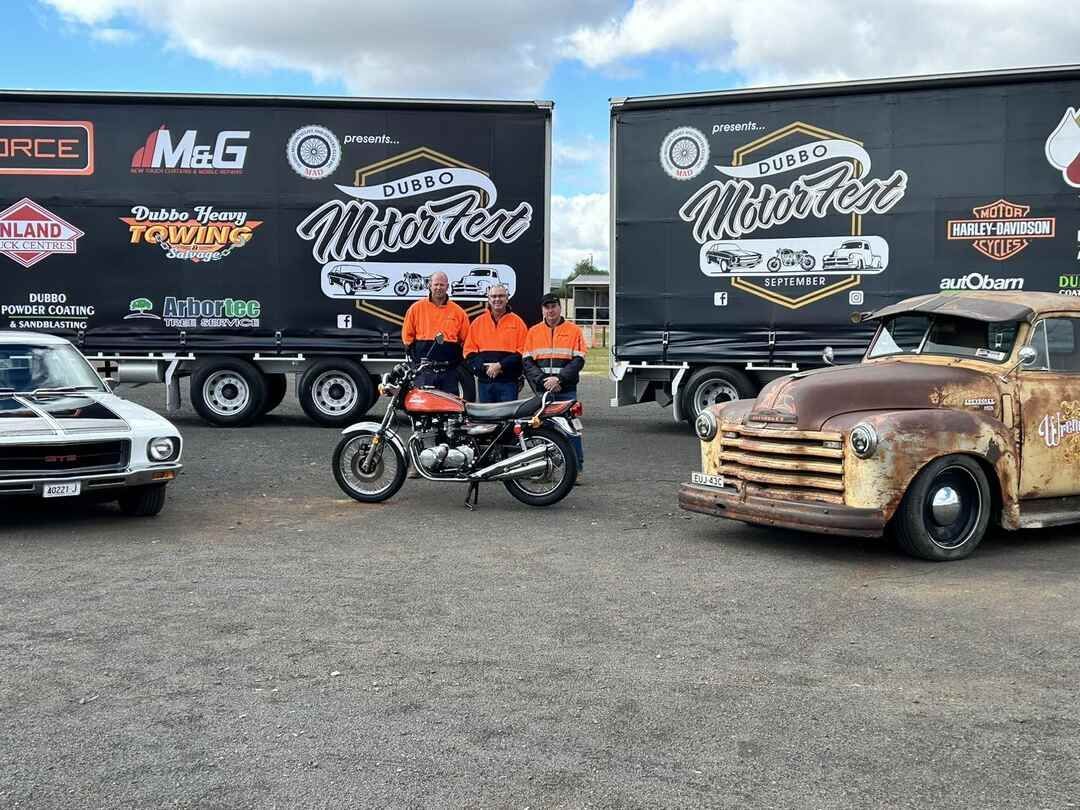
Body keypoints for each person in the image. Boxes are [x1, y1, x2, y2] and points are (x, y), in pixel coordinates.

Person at [522, 293, 587, 478]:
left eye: (553, 306)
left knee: (571, 431)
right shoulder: (533, 331)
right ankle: (545, 470)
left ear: (560, 307)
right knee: (542, 431)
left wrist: (559, 380)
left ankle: (576, 470)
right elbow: (527, 361)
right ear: (542, 310)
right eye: (547, 307)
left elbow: (579, 360)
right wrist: (544, 380)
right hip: (543, 392)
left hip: (566, 391)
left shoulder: (574, 331)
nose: (550, 310)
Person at [401, 271, 470, 394]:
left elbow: (465, 341)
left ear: (447, 287)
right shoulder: (416, 309)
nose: (439, 288)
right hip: (424, 371)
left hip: (449, 372)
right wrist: (417, 360)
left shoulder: (458, 312)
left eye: (442, 285)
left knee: (448, 408)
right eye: (436, 284)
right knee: (423, 407)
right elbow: (407, 338)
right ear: (429, 285)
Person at [463, 284, 528, 403]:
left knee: (507, 420)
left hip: (508, 383)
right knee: (486, 420)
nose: (497, 299)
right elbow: (469, 352)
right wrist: (484, 368)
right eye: (493, 296)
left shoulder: (518, 323)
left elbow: (522, 352)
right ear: (488, 299)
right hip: (484, 384)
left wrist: (500, 365)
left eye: (501, 296)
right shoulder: (478, 323)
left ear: (507, 298)